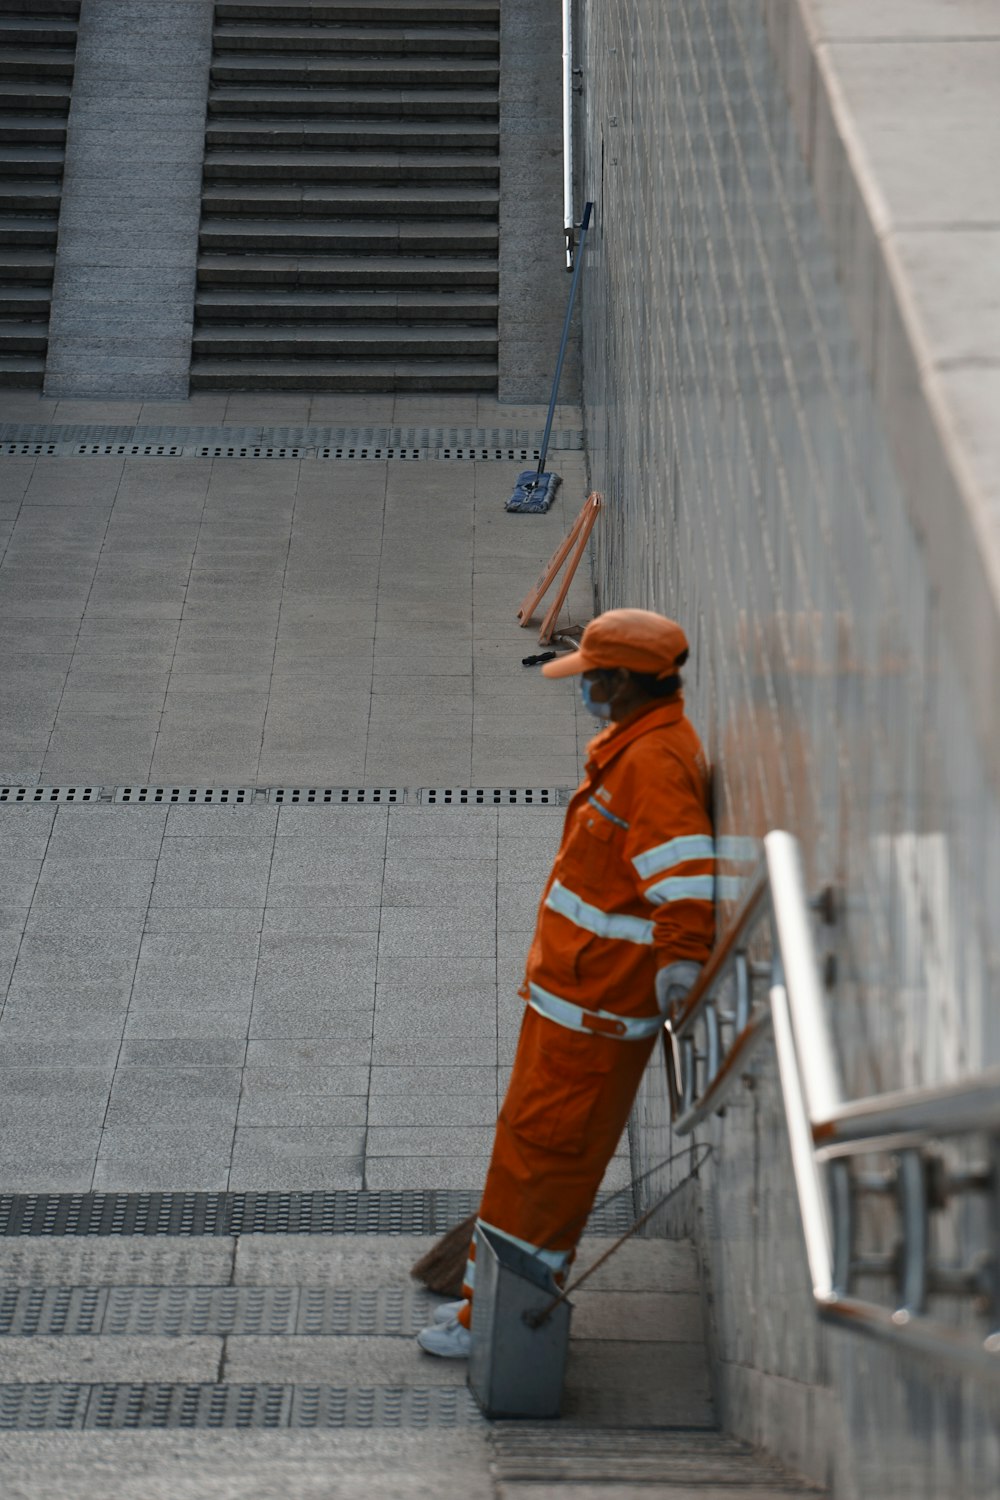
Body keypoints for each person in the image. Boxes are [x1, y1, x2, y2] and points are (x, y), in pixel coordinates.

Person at [416, 608, 715, 1357]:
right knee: (525, 1154)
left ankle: (491, 1325)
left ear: (622, 681)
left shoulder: (652, 764)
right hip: (573, 1008)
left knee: (543, 1168)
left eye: (591, 678)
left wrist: (681, 966)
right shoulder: (637, 745)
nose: (584, 690)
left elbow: (683, 883)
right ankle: (483, 1284)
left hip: (596, 1018)